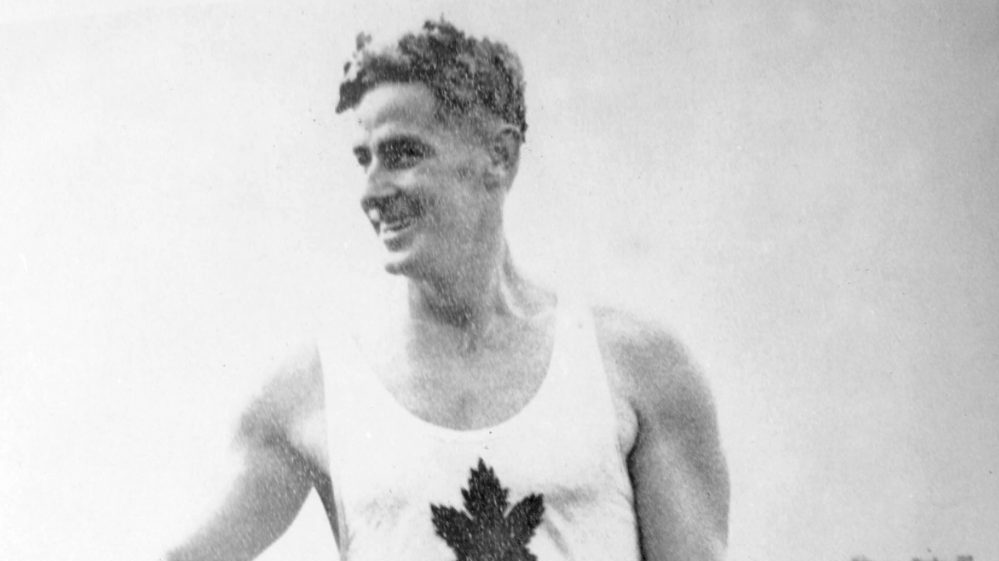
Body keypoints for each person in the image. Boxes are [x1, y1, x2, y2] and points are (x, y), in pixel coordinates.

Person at [164, 18, 729, 561]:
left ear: (498, 157)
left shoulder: (633, 365)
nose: (372, 190)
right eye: (365, 159)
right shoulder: (314, 391)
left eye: (403, 153)